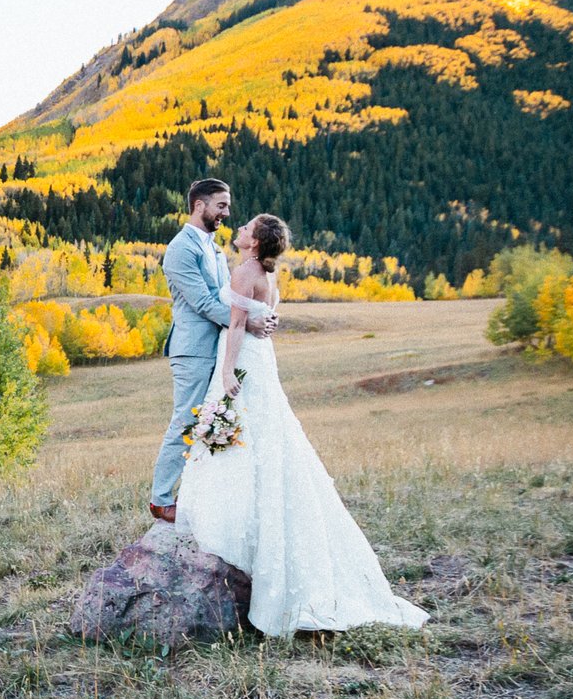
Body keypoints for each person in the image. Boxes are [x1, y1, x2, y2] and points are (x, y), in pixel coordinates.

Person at [175, 212, 428, 636]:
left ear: (254, 244)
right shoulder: (269, 275)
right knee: (263, 436)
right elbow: (265, 317)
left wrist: (227, 372)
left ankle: (234, 534)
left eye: (247, 229)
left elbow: (237, 325)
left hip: (242, 359)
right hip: (264, 360)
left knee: (241, 432)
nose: (239, 230)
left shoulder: (243, 272)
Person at [150, 178, 271, 523]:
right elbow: (202, 302)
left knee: (208, 422)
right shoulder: (180, 249)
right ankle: (160, 498)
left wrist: (261, 315)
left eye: (228, 206)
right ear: (199, 205)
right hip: (192, 348)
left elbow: (230, 297)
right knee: (186, 418)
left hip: (215, 346)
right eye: (220, 205)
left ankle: (195, 493)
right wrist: (246, 322)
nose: (226, 213)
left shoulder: (214, 247)